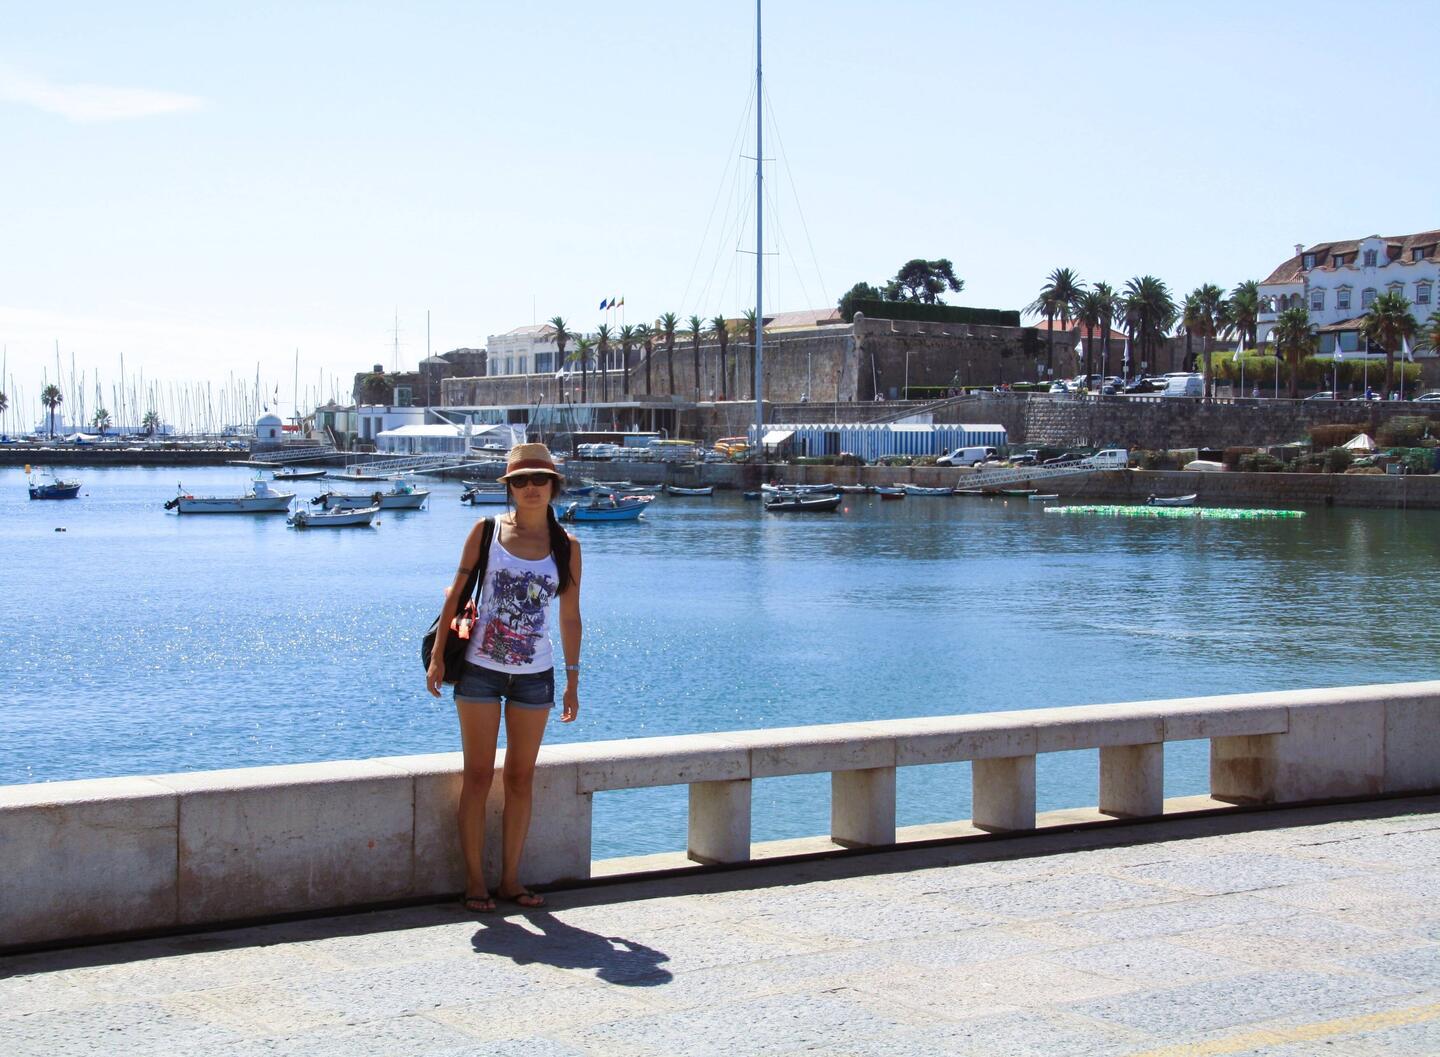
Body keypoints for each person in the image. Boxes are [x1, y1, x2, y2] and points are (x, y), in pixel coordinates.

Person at [426, 443, 583, 913]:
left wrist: (573, 679)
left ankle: (511, 880)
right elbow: (455, 595)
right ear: (510, 488)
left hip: (535, 677)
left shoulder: (567, 546)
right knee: (477, 777)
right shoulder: (486, 531)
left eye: (540, 480)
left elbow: (570, 617)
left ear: (553, 486)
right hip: (479, 671)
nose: (531, 488)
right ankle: (475, 882)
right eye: (520, 481)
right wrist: (438, 657)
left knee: (520, 779)